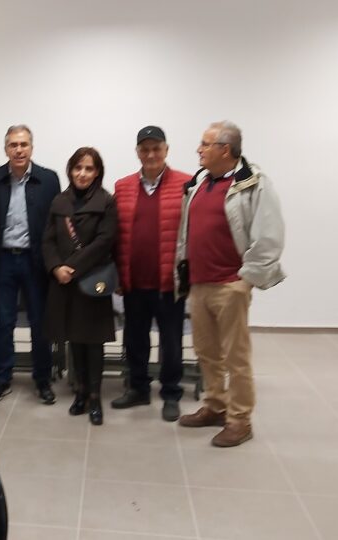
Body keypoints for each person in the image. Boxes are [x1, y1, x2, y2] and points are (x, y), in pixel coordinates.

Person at [176, 121, 286, 447]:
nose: (199, 149)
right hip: (199, 283)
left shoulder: (253, 183)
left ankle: (240, 420)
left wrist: (245, 280)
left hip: (230, 285)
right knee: (206, 352)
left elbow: (269, 235)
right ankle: (215, 405)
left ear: (225, 149)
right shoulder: (199, 183)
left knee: (235, 357)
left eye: (205, 144)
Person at [111, 126, 192, 422]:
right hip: (134, 281)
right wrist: (118, 275)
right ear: (137, 153)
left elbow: (192, 232)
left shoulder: (186, 184)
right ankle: (138, 388)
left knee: (171, 341)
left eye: (156, 148)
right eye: (145, 149)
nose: (151, 154)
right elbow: (115, 234)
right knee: (135, 339)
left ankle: (170, 393)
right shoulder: (123, 186)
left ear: (166, 150)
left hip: (169, 282)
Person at [0, 125, 61, 404]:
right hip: (3, 259)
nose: (19, 150)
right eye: (13, 145)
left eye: (24, 144)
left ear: (31, 148)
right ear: (5, 149)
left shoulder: (48, 179)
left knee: (40, 323)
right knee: (4, 322)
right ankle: (2, 379)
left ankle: (42, 379)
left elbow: (55, 225)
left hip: (35, 261)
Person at [42, 147, 117, 425]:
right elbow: (48, 240)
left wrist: (71, 268)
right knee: (74, 338)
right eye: (78, 168)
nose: (82, 173)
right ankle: (81, 392)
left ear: (97, 172)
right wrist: (55, 267)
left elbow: (104, 242)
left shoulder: (106, 201)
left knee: (93, 342)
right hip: (65, 283)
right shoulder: (59, 201)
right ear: (70, 170)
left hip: (92, 282)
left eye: (89, 168)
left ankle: (95, 397)